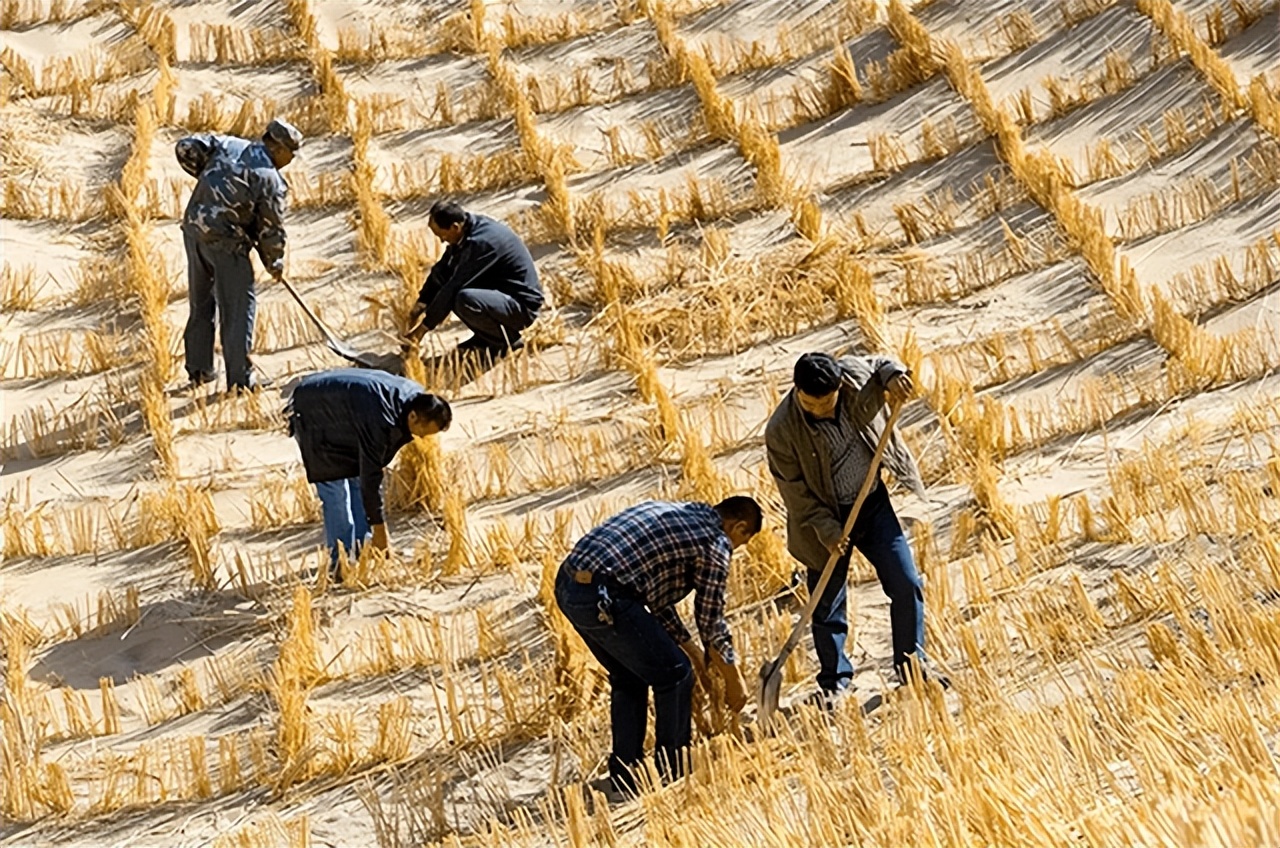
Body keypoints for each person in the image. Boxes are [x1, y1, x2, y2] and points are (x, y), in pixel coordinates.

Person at [554, 497, 761, 796]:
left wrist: (698, 655)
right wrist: (734, 680)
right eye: (743, 540)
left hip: (570, 587)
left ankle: (624, 779)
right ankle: (672, 774)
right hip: (606, 595)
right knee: (676, 676)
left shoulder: (675, 512)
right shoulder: (715, 543)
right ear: (738, 526)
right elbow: (711, 620)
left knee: (630, 677)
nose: (737, 548)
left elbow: (656, 597)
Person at [765, 351, 937, 698]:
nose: (825, 410)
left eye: (830, 401)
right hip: (823, 522)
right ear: (798, 392)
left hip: (871, 506)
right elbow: (796, 495)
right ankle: (835, 683)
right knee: (826, 606)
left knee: (905, 582)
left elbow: (881, 364)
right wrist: (827, 530)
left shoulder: (852, 376)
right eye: (815, 405)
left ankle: (912, 666)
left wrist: (893, 377)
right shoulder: (781, 431)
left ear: (840, 385)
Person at [285, 368, 451, 579]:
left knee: (355, 477)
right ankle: (341, 562)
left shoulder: (414, 398)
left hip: (348, 414)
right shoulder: (381, 420)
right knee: (335, 491)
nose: (423, 437)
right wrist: (380, 530)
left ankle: (364, 547)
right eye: (424, 431)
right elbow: (371, 480)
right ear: (413, 416)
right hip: (314, 411)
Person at [176, 118, 302, 391]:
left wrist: (208, 180)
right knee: (238, 310)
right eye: (291, 154)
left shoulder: (229, 144)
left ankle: (199, 370)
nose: (291, 160)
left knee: (201, 303)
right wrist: (274, 262)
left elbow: (186, 146)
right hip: (226, 244)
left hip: (195, 229)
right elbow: (271, 229)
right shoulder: (269, 178)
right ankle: (240, 381)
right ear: (278, 148)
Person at [406, 200, 543, 359]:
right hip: (499, 294)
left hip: (520, 306)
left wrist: (421, 330)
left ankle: (507, 341)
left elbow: (454, 285)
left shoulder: (483, 243)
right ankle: (486, 336)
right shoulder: (468, 228)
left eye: (441, 235)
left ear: (455, 227)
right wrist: (422, 301)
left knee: (464, 299)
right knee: (452, 289)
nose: (442, 241)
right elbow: (443, 269)